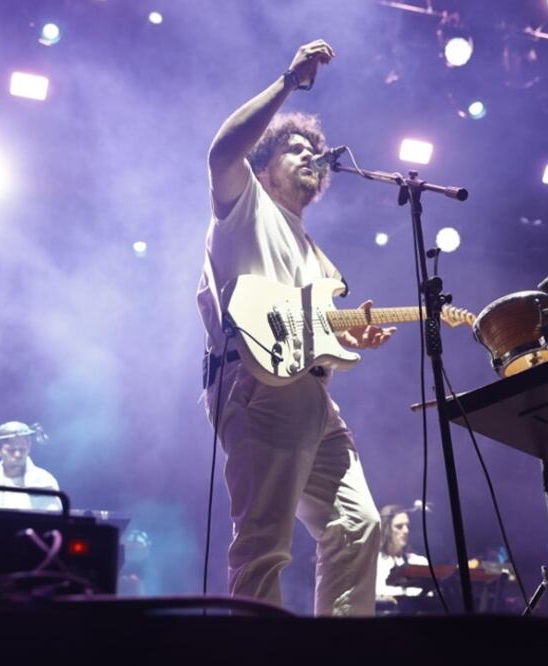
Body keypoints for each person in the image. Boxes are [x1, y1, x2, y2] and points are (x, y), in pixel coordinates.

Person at [197, 40, 396, 616]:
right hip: (258, 388)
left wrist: (349, 338)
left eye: (316, 150)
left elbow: (318, 330)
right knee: (264, 546)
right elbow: (219, 151)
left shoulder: (320, 258)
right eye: (296, 148)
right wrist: (288, 82)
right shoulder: (244, 205)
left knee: (359, 527)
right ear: (264, 163)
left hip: (313, 395)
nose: (312, 156)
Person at [0, 421, 61, 512]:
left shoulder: (45, 481)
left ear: (29, 448)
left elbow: (55, 520)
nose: (17, 455)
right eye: (11, 450)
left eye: (22, 450)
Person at [375, 504, 429, 600]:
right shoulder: (373, 562)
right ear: (386, 529)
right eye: (399, 526)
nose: (406, 530)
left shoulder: (419, 561)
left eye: (407, 526)